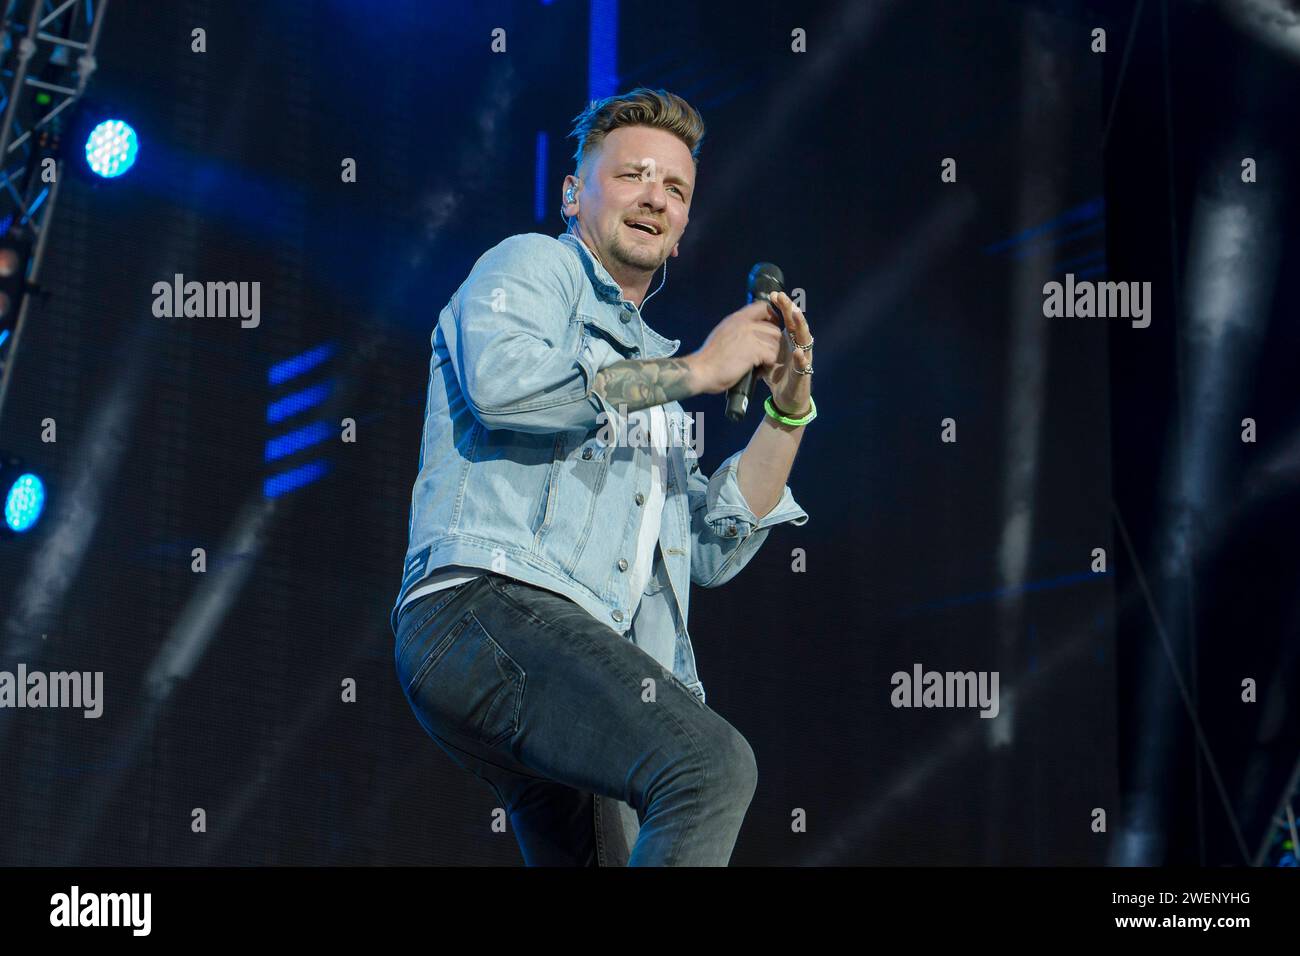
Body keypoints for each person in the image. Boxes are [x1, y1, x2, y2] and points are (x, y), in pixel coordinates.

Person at [391, 87, 815, 866]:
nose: (655, 195)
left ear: (683, 229)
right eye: (633, 175)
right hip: (482, 607)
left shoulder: (654, 382)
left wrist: (785, 415)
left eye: (676, 188)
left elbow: (713, 547)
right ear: (572, 192)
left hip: (576, 653)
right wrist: (698, 369)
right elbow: (505, 388)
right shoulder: (533, 263)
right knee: (709, 766)